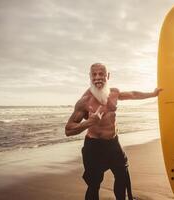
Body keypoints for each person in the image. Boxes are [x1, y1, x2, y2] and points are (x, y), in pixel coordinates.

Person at [65, 63, 162, 200]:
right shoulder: (85, 101)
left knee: (122, 175)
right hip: (94, 147)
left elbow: (133, 94)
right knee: (94, 184)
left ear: (107, 76)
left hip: (113, 144)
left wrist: (153, 94)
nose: (98, 77)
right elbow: (68, 129)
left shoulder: (114, 93)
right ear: (90, 77)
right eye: (94, 74)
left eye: (101, 74)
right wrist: (88, 122)